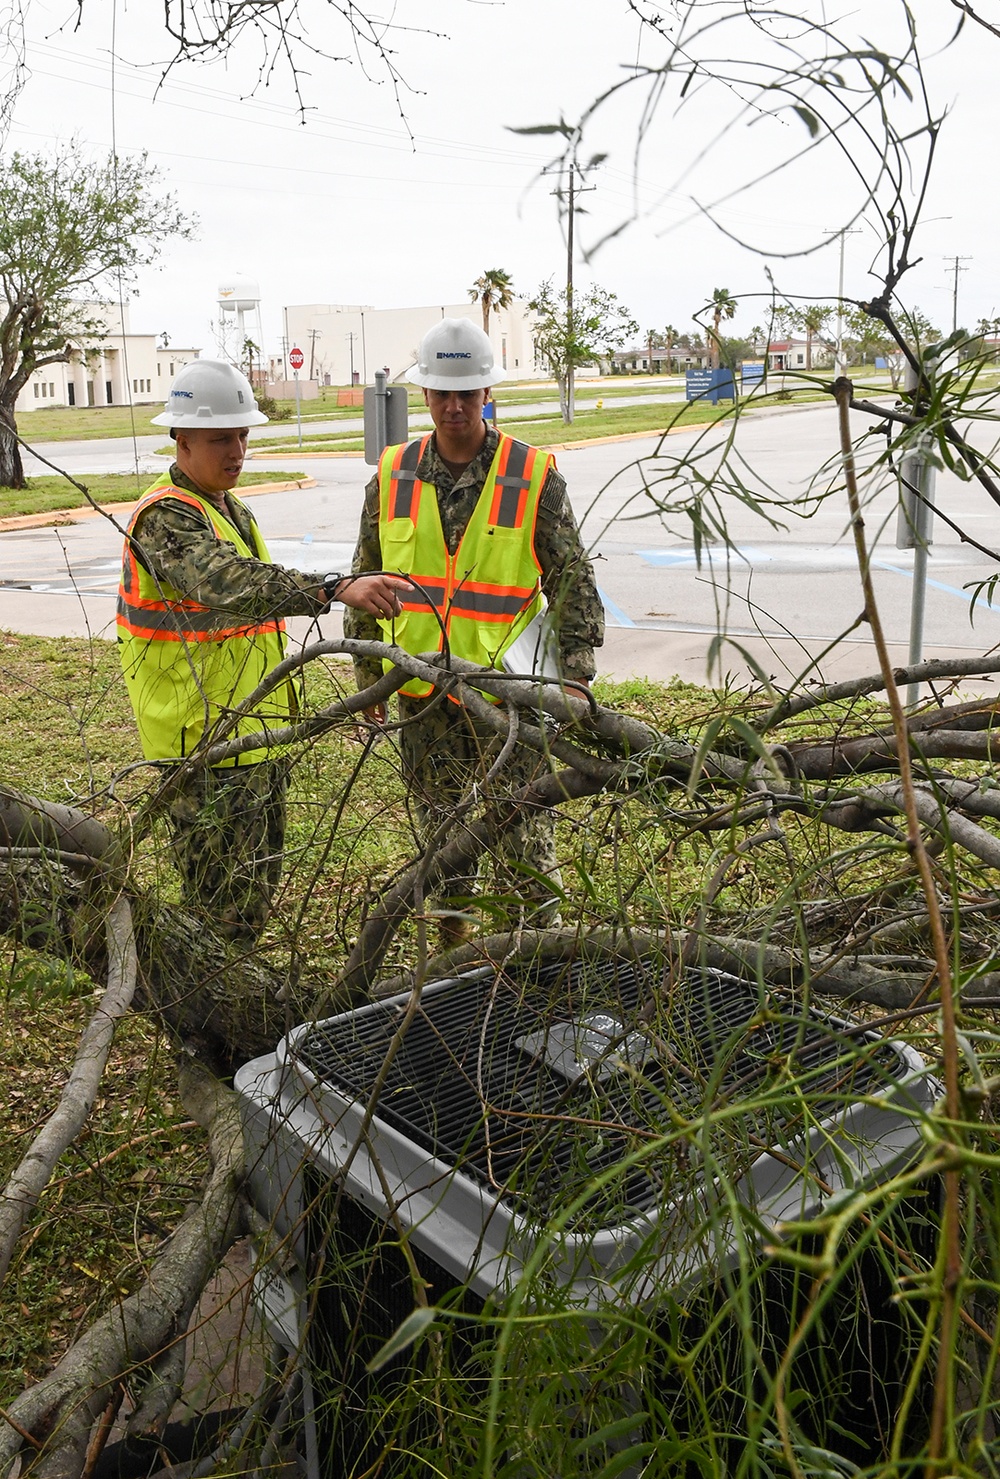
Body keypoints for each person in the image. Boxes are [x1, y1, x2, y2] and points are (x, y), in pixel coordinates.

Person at [117, 359, 404, 942]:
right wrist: (333, 587)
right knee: (218, 906)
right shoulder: (166, 516)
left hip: (250, 732)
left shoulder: (226, 507)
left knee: (251, 892)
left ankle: (236, 1007)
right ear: (182, 439)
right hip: (202, 741)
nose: (237, 449)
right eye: (221, 437)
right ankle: (207, 1026)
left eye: (243, 435)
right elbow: (229, 583)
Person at [344, 318, 604, 942]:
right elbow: (366, 580)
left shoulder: (532, 474)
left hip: (510, 698)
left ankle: (541, 975)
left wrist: (575, 679)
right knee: (443, 850)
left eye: (468, 393)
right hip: (422, 698)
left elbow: (572, 580)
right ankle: (456, 967)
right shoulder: (393, 474)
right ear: (426, 396)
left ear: (488, 393)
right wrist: (367, 678)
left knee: (524, 851)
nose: (455, 406)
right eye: (443, 393)